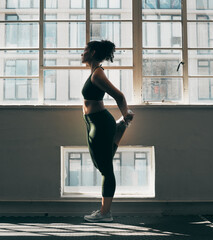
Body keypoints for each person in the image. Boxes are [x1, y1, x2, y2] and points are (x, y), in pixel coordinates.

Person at [81, 40, 134, 222]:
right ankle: (120, 127)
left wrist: (126, 114)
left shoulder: (97, 75)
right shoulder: (95, 73)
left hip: (100, 124)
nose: (82, 53)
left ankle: (105, 213)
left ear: (93, 52)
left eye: (85, 50)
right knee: (102, 164)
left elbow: (119, 96)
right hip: (95, 123)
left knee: (105, 169)